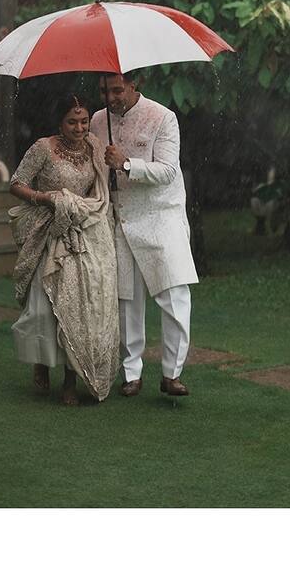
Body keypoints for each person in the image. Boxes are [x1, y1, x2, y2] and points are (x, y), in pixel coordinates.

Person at [91, 72, 199, 397]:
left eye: (116, 89)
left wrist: (126, 165)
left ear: (134, 84)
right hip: (120, 215)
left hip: (160, 214)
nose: (111, 97)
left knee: (175, 295)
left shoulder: (163, 116)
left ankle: (172, 374)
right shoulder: (97, 120)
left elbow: (168, 171)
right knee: (127, 299)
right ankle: (131, 373)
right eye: (104, 91)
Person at [9, 93, 120, 406]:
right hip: (48, 230)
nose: (80, 127)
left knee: (80, 306)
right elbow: (16, 183)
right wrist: (46, 199)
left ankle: (72, 379)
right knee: (44, 307)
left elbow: (99, 192)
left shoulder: (96, 148)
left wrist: (114, 161)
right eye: (72, 121)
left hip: (82, 231)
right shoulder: (44, 148)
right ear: (60, 122)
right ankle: (42, 363)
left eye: (84, 121)